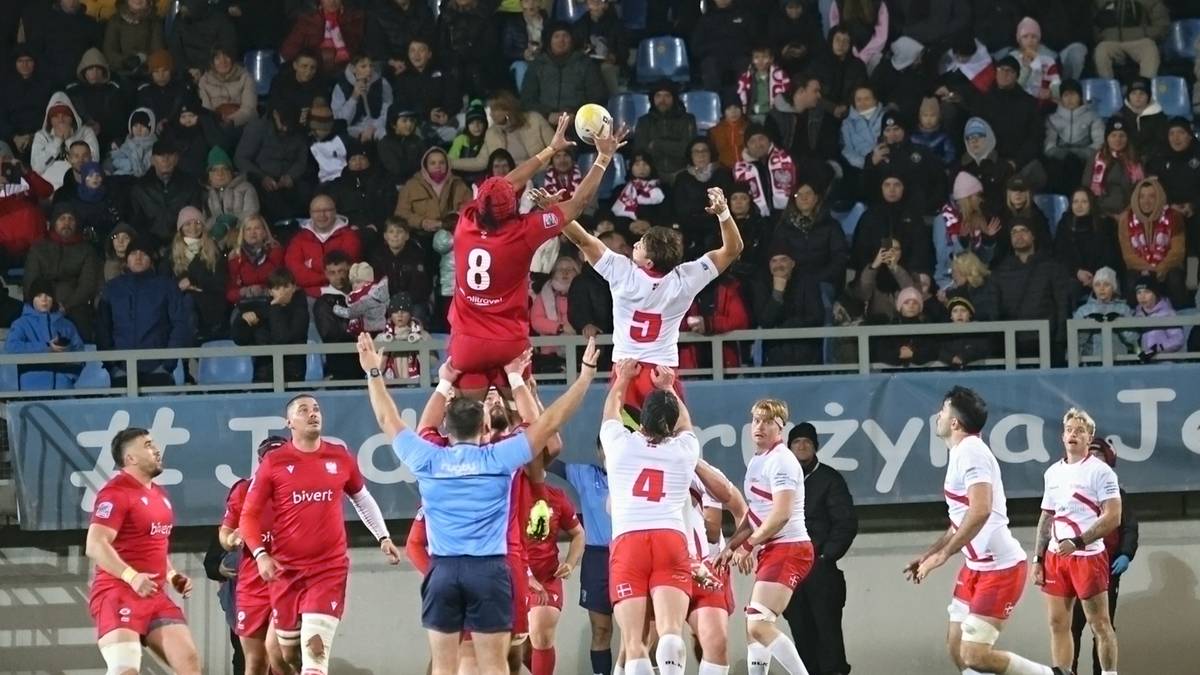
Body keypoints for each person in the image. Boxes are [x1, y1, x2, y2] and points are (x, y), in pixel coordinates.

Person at [359, 333, 599, 675]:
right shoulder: (498, 458)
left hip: (442, 569)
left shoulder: (429, 457)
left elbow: (389, 419)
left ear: (448, 428)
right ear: (485, 425)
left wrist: (382, 374)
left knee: (445, 667)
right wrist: (581, 375)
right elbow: (547, 424)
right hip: (488, 569)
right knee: (494, 666)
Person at [447, 116, 618, 397]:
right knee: (525, 427)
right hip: (509, 342)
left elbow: (506, 182)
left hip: (467, 343)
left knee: (468, 426)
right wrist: (602, 158)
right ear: (512, 203)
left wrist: (548, 150)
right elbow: (577, 206)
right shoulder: (524, 232)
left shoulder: (466, 220)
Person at [237, 393, 401, 675]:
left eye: (316, 409)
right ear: (289, 422)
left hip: (328, 569)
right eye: (303, 410)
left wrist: (383, 536)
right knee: (287, 655)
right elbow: (248, 516)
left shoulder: (339, 457)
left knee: (315, 652)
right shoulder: (274, 463)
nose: (313, 413)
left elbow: (362, 498)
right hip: (285, 573)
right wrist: (261, 555)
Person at [904, 386, 1063, 675]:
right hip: (976, 568)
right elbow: (961, 521)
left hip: (1000, 569)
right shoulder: (960, 453)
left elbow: (980, 510)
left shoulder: (971, 452)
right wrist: (931, 553)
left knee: (974, 655)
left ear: (954, 422)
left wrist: (943, 557)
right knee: (956, 649)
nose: (937, 416)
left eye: (942, 411)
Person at [561, 187, 743, 412]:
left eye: (641, 244)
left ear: (648, 263)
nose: (635, 243)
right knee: (670, 440)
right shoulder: (686, 279)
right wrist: (723, 213)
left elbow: (582, 240)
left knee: (621, 439)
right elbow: (733, 249)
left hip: (626, 373)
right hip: (663, 375)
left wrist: (554, 210)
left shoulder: (623, 273)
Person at [601, 360, 700, 675]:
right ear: (670, 424)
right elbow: (685, 426)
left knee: (633, 642)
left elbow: (611, 413)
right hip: (670, 539)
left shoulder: (620, 446)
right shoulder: (684, 449)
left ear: (640, 417)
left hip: (629, 541)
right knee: (670, 630)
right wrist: (669, 387)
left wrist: (622, 379)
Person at [84, 427, 201, 675]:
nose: (157, 449)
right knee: (125, 670)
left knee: (189, 662)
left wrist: (172, 576)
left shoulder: (160, 494)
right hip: (117, 593)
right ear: (131, 458)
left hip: (154, 595)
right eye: (148, 445)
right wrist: (132, 577)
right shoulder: (115, 493)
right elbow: (95, 544)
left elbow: (153, 546)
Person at [713, 399, 813, 675]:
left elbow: (780, 515)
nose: (760, 426)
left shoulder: (781, 461)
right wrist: (731, 545)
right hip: (776, 548)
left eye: (768, 422)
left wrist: (746, 546)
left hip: (790, 547)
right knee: (754, 626)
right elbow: (756, 514)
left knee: (759, 625)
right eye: (756, 420)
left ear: (780, 428)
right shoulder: (759, 460)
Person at [1034, 408, 1122, 675]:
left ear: (1089, 437)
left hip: (1088, 558)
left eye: (1080, 431)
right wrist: (1037, 559)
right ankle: (1063, 671)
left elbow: (1114, 517)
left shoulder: (1101, 472)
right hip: (1056, 557)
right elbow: (1046, 517)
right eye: (1069, 430)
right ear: (1063, 436)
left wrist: (1079, 542)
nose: (1073, 434)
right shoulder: (1052, 473)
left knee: (1100, 625)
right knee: (1057, 623)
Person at [781, 422, 857, 675]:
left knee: (828, 635)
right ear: (789, 447)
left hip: (819, 570)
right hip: (790, 570)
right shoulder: (782, 479)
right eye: (796, 442)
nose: (802, 446)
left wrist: (825, 556)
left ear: (815, 448)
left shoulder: (829, 479)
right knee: (800, 633)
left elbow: (846, 523)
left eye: (807, 442)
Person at [218, 436, 289, 675]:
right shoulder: (243, 490)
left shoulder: (302, 489)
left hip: (289, 582)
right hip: (252, 586)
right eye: (270, 459)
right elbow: (225, 534)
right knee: (256, 664)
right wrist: (231, 540)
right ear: (260, 462)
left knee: (281, 657)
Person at [1070, 437, 1138, 675]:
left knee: (1102, 626)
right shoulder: (1071, 489)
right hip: (1074, 568)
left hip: (1106, 570)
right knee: (1071, 626)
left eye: (1100, 457)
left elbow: (1129, 527)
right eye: (1091, 456)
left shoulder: (1117, 494)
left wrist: (1126, 555)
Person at [547, 437, 614, 675]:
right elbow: (546, 461)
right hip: (597, 560)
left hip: (630, 556)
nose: (609, 453)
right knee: (601, 630)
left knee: (640, 633)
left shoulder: (635, 474)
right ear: (598, 451)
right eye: (604, 448)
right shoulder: (585, 475)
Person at [96, 238, 194, 386]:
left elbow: (180, 324)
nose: (138, 257)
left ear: (151, 260)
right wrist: (112, 365)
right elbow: (102, 328)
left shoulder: (166, 287)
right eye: (134, 253)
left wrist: (168, 363)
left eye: (144, 254)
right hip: (121, 370)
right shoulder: (112, 288)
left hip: (158, 370)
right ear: (127, 259)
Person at [685, 459, 748, 675]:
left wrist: (740, 547)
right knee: (650, 641)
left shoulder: (704, 471)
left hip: (707, 565)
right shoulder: (643, 463)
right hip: (665, 564)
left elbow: (715, 528)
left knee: (712, 641)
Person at [524, 482, 585, 675]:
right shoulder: (505, 493)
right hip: (511, 575)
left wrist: (570, 563)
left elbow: (578, 533)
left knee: (541, 636)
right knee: (513, 644)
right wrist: (524, 575)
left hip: (546, 577)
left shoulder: (556, 496)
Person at [22, 204, 101, 341]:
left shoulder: (87, 250)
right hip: (41, 304)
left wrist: (66, 306)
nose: (66, 223)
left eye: (71, 219)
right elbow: (30, 280)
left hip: (74, 306)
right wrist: (43, 303)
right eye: (62, 219)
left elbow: (87, 284)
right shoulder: (38, 248)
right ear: (54, 223)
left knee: (83, 322)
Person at [4, 279, 85, 390]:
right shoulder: (21, 324)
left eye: (48, 294)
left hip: (63, 390)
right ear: (32, 299)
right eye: (38, 295)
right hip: (31, 391)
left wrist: (68, 377)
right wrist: (46, 346)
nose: (44, 299)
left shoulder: (67, 324)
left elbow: (79, 352)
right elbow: (11, 348)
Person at [285, 194, 363, 297]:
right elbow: (295, 273)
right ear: (310, 213)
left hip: (345, 293)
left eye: (327, 210)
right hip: (310, 296)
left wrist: (311, 264)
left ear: (335, 211)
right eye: (317, 211)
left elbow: (345, 265)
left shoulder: (349, 236)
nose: (322, 215)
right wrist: (328, 277)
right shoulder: (299, 239)